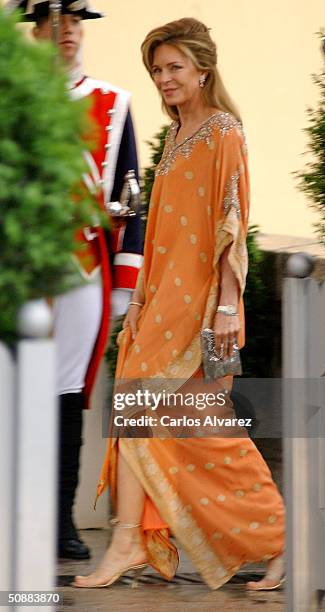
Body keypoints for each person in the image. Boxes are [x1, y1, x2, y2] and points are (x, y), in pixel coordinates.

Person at [73, 17, 285, 591]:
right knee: (187, 428)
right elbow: (162, 232)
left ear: (202, 69)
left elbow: (230, 226)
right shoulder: (174, 136)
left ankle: (132, 542)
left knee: (173, 420)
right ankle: (263, 539)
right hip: (159, 303)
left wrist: (226, 309)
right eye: (157, 69)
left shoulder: (223, 131)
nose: (164, 79)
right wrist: (138, 300)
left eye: (175, 68)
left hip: (200, 308)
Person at [9, 0, 143, 560]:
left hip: (84, 266)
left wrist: (123, 281)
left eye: (75, 21)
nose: (67, 32)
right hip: (19, 269)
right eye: (54, 20)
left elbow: (133, 196)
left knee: (67, 393)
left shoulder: (113, 103)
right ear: (36, 30)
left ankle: (59, 521)